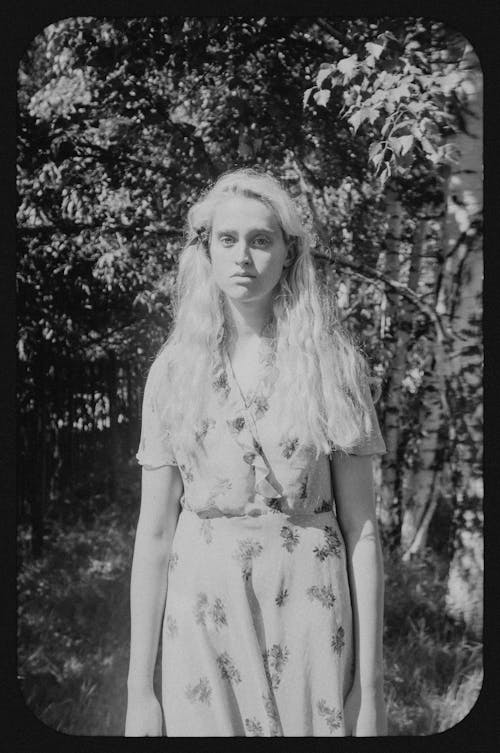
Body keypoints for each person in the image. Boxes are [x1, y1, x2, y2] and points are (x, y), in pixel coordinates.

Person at [125, 168, 387, 737]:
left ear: (288, 254)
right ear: (207, 250)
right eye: (227, 239)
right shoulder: (174, 372)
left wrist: (370, 694)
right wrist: (139, 690)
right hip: (202, 618)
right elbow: (153, 535)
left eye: (261, 240)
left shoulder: (333, 367)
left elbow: (362, 531)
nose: (243, 256)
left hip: (310, 616)